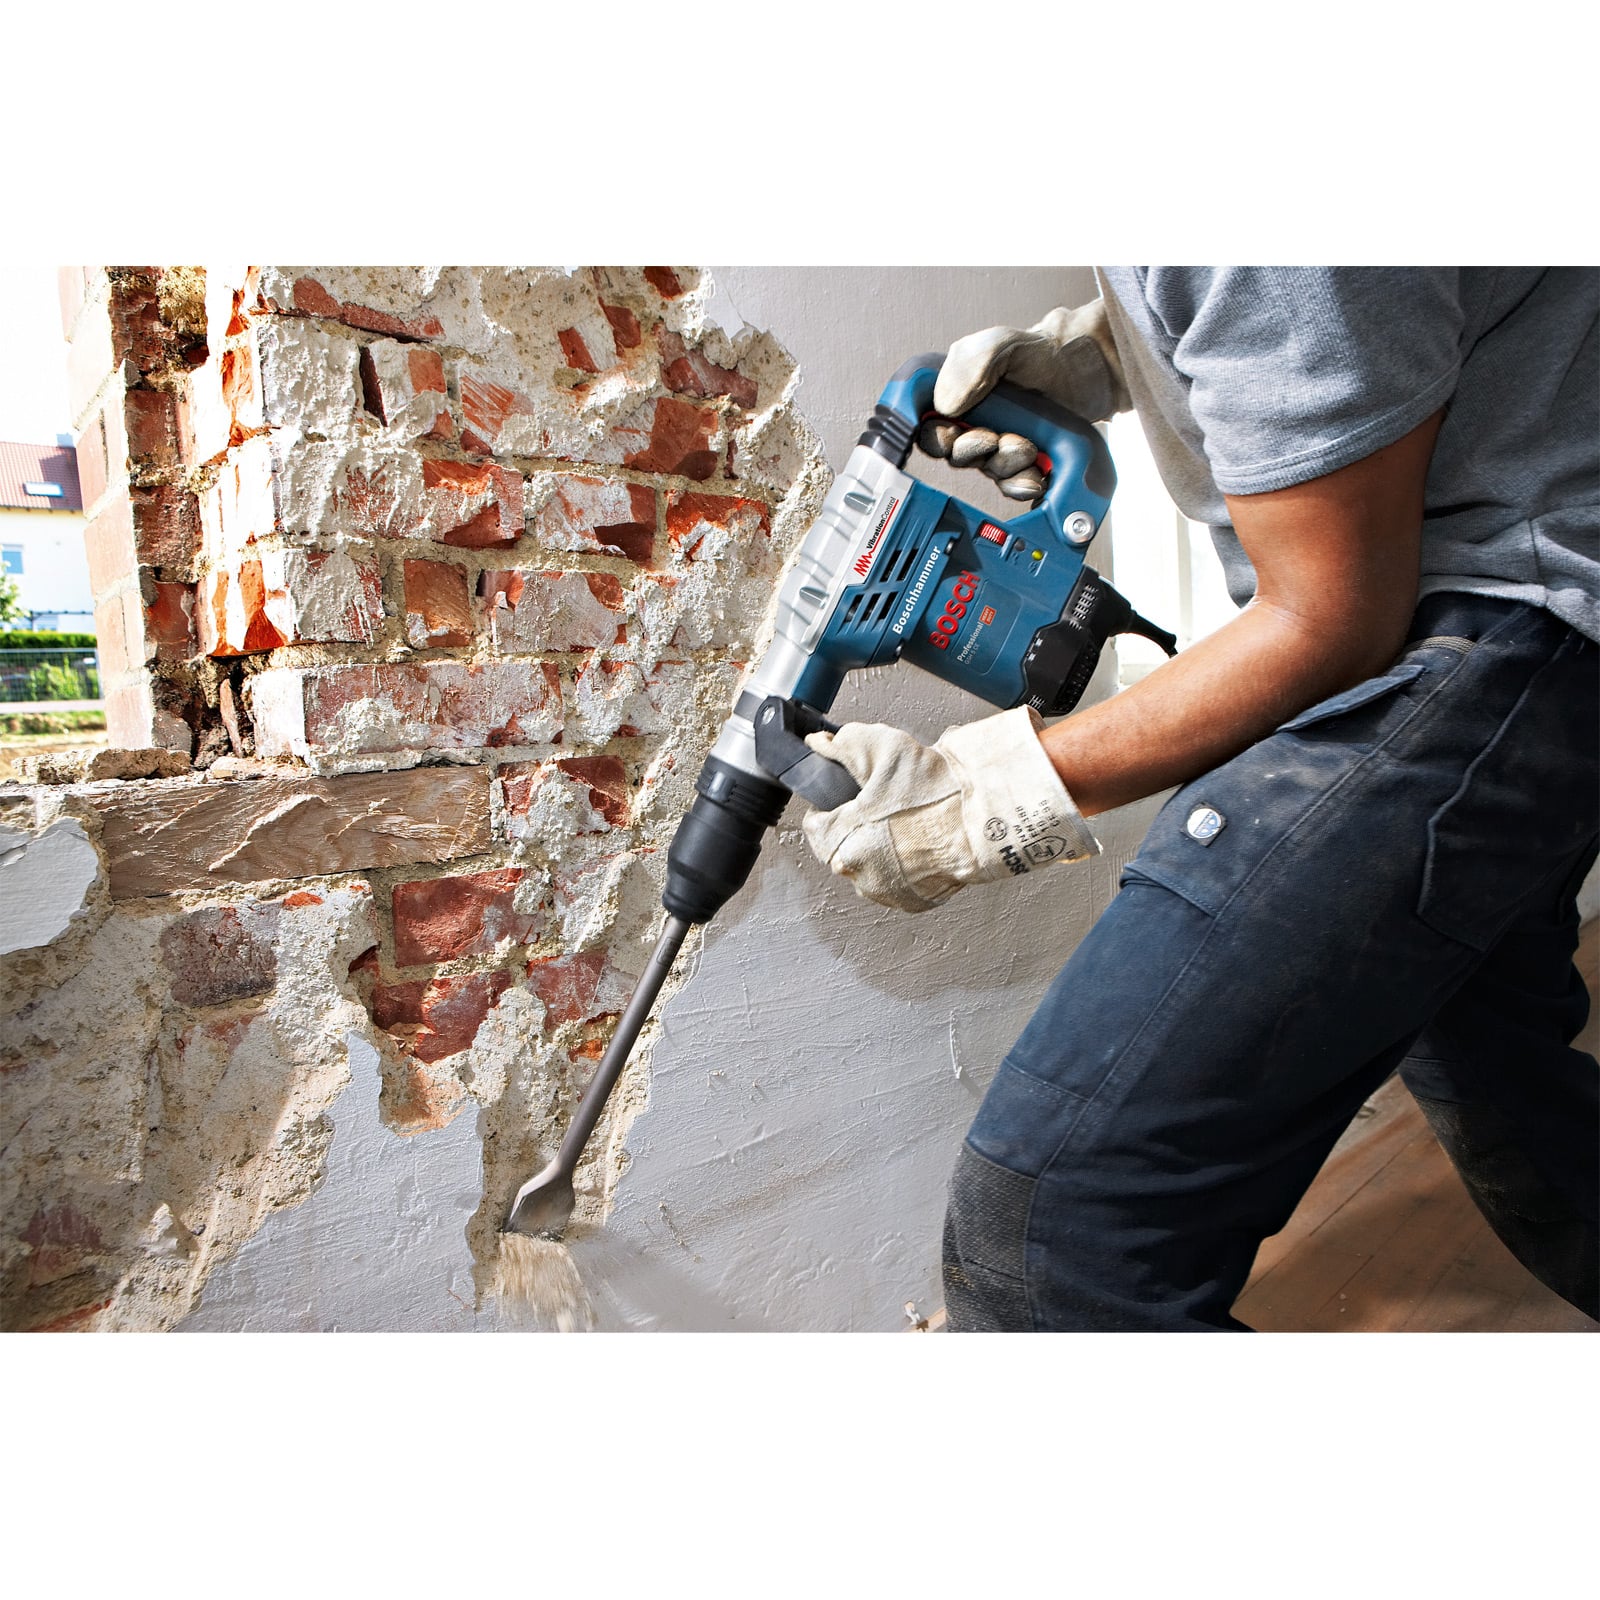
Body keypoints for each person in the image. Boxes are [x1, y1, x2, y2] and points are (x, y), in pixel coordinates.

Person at [799, 268, 1599, 1331]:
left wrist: (989, 795)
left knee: (1052, 1246)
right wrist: (1107, 351)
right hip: (1521, 607)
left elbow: (1331, 619)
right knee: (1511, 1086)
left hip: (1503, 623)